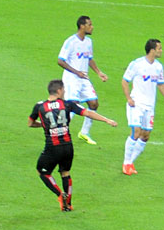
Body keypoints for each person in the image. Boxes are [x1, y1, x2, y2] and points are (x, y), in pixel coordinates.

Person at [29, 79, 117, 211]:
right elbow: (88, 113)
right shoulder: (67, 104)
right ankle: (68, 205)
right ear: (59, 91)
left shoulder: (39, 106)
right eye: (63, 90)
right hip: (68, 146)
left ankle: (60, 195)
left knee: (42, 171)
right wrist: (107, 120)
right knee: (65, 173)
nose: (64, 92)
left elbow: (30, 123)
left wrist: (44, 125)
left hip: (52, 147)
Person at [121, 39, 164, 175]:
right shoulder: (137, 64)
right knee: (136, 131)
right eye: (159, 48)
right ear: (152, 50)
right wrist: (129, 98)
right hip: (136, 103)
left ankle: (130, 162)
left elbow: (161, 84)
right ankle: (126, 163)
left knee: (145, 136)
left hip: (150, 105)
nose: (161, 50)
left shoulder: (159, 67)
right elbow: (125, 81)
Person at [57, 16, 108, 145]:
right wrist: (76, 72)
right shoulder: (70, 42)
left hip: (83, 78)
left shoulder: (88, 42)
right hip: (71, 78)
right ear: (82, 26)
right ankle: (60, 133)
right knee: (72, 106)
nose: (92, 27)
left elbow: (89, 59)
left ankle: (84, 133)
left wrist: (99, 72)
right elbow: (60, 61)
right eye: (90, 25)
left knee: (94, 104)